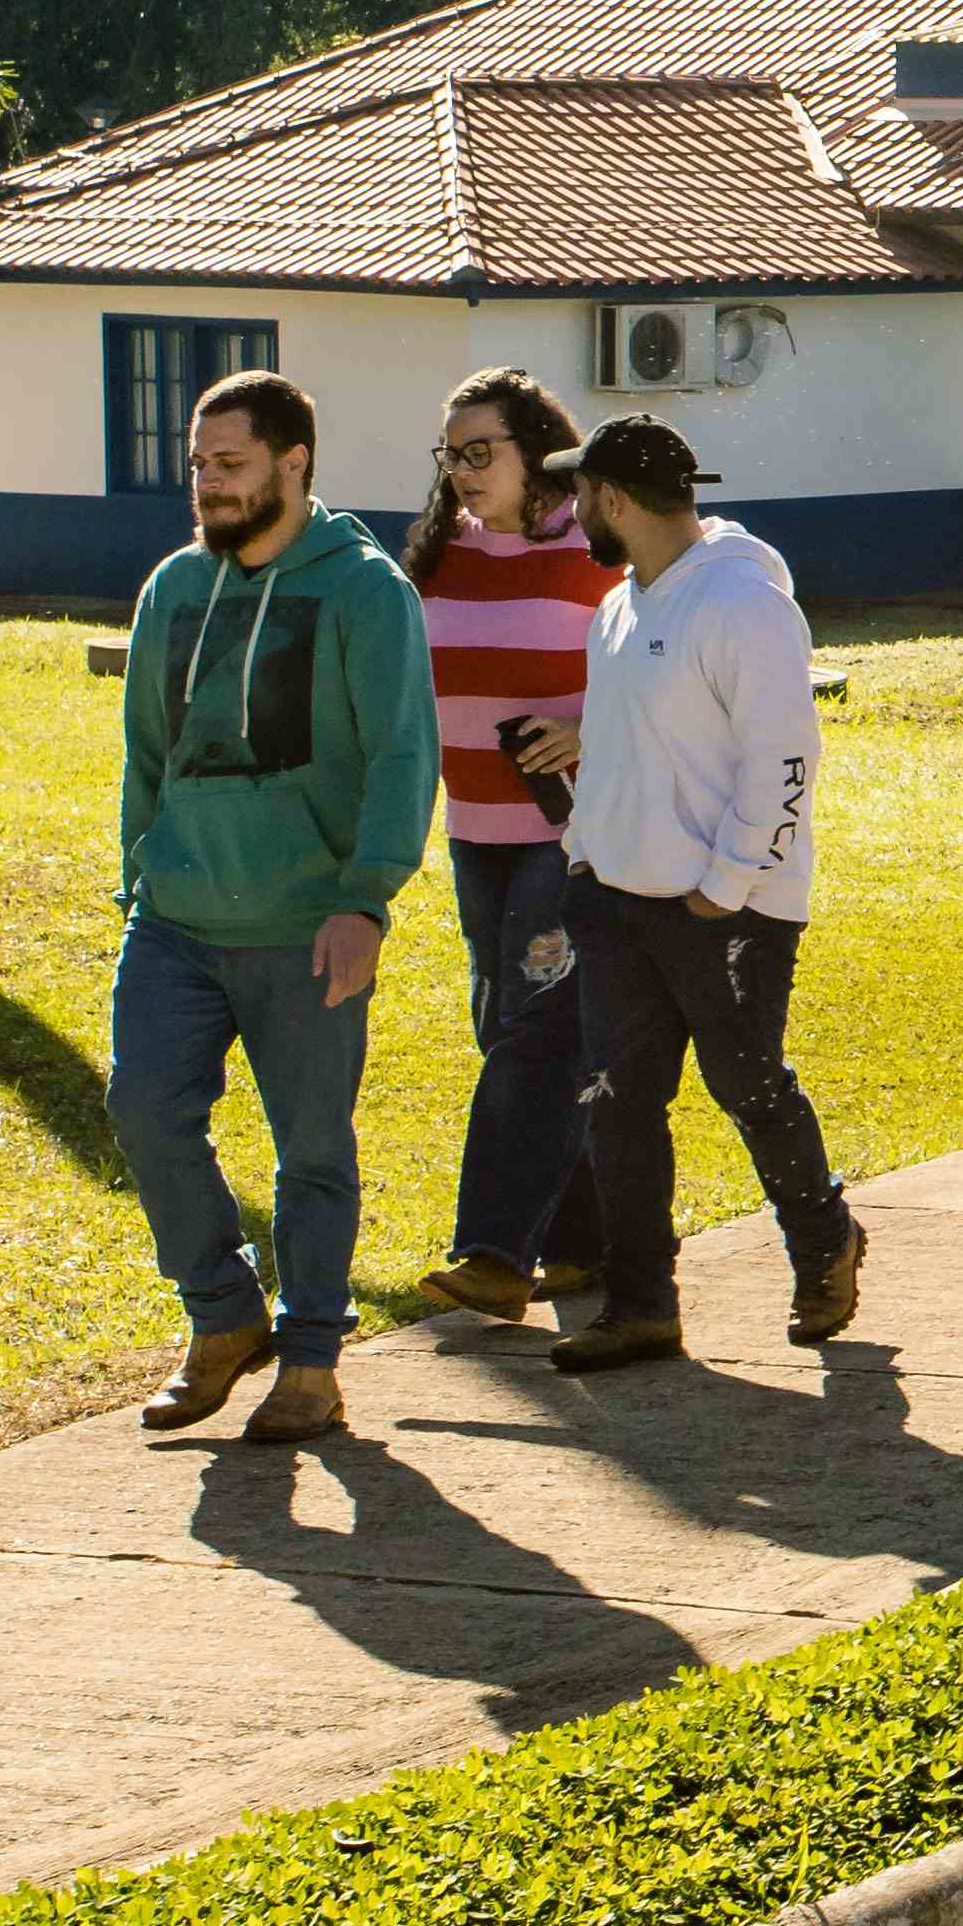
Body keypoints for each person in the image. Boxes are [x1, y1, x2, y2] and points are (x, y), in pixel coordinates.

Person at [110, 368, 438, 1446]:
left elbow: (403, 755)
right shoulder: (173, 587)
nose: (208, 482)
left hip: (308, 925)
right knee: (145, 1112)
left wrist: (363, 900)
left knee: (312, 1151)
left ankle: (310, 1364)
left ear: (293, 464)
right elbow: (146, 753)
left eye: (230, 463)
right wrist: (141, 876)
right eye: (198, 464)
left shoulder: (365, 590)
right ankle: (222, 1315)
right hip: (176, 919)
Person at [551, 415, 863, 1370]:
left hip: (725, 912)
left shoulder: (743, 602)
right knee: (618, 1106)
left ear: (611, 500)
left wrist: (725, 888)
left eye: (579, 494)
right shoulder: (619, 608)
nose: (570, 511)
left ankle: (825, 1244)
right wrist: (584, 853)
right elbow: (617, 749)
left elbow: (786, 758)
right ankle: (641, 1306)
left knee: (748, 1087)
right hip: (617, 902)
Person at [406, 368, 608, 1324]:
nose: (462, 470)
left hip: (565, 833)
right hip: (473, 829)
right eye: (451, 454)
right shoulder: (438, 553)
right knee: (513, 1033)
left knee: (533, 1036)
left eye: (481, 451)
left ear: (539, 453)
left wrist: (587, 729)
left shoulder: (596, 549)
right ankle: (591, 1244)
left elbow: (661, 679)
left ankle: (495, 1253)